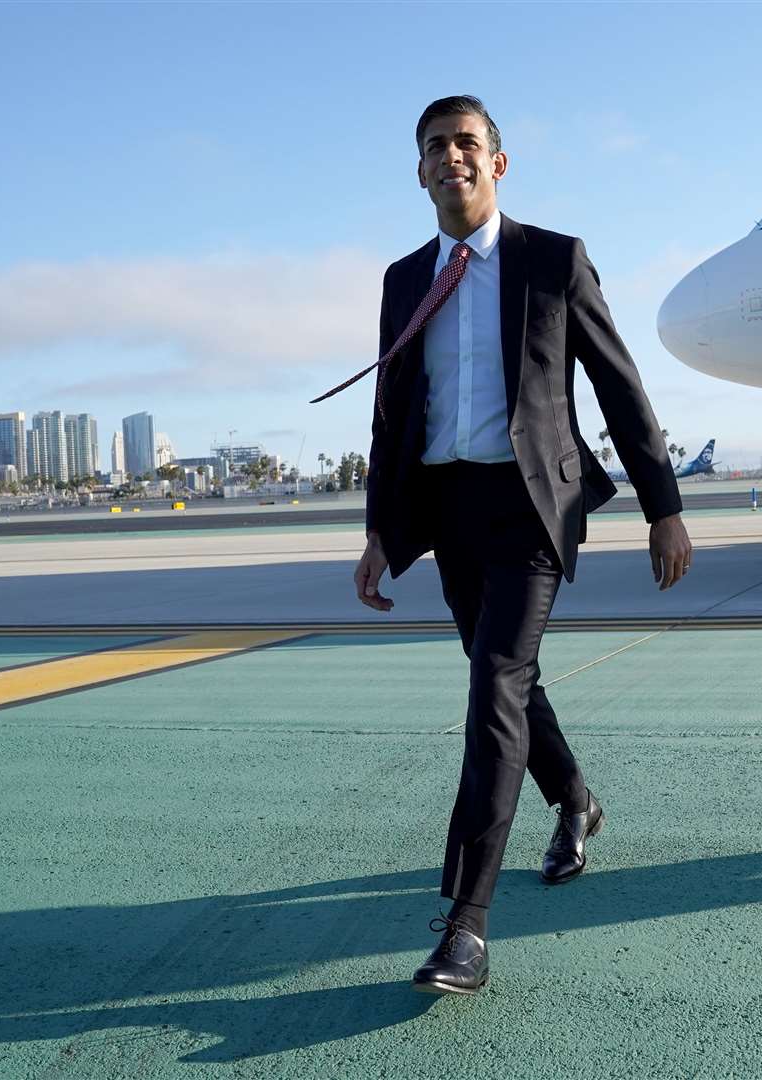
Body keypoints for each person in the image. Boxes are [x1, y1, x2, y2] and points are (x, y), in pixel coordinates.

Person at [315, 95, 691, 996]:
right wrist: (378, 531)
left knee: (493, 693)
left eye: (468, 144)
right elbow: (390, 415)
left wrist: (662, 506)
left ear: (499, 163)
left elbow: (617, 383)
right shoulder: (404, 279)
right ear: (419, 171)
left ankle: (466, 925)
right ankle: (576, 801)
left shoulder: (552, 260)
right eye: (436, 148)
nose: (453, 158)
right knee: (510, 680)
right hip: (447, 513)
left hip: (531, 509)